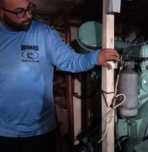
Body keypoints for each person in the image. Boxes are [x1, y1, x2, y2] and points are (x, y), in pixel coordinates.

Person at [0, 0, 119, 151]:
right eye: (19, 12)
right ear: (1, 12)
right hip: (3, 131)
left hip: (40, 130)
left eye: (29, 8)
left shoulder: (45, 34)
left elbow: (70, 60)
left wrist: (94, 58)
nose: (28, 15)